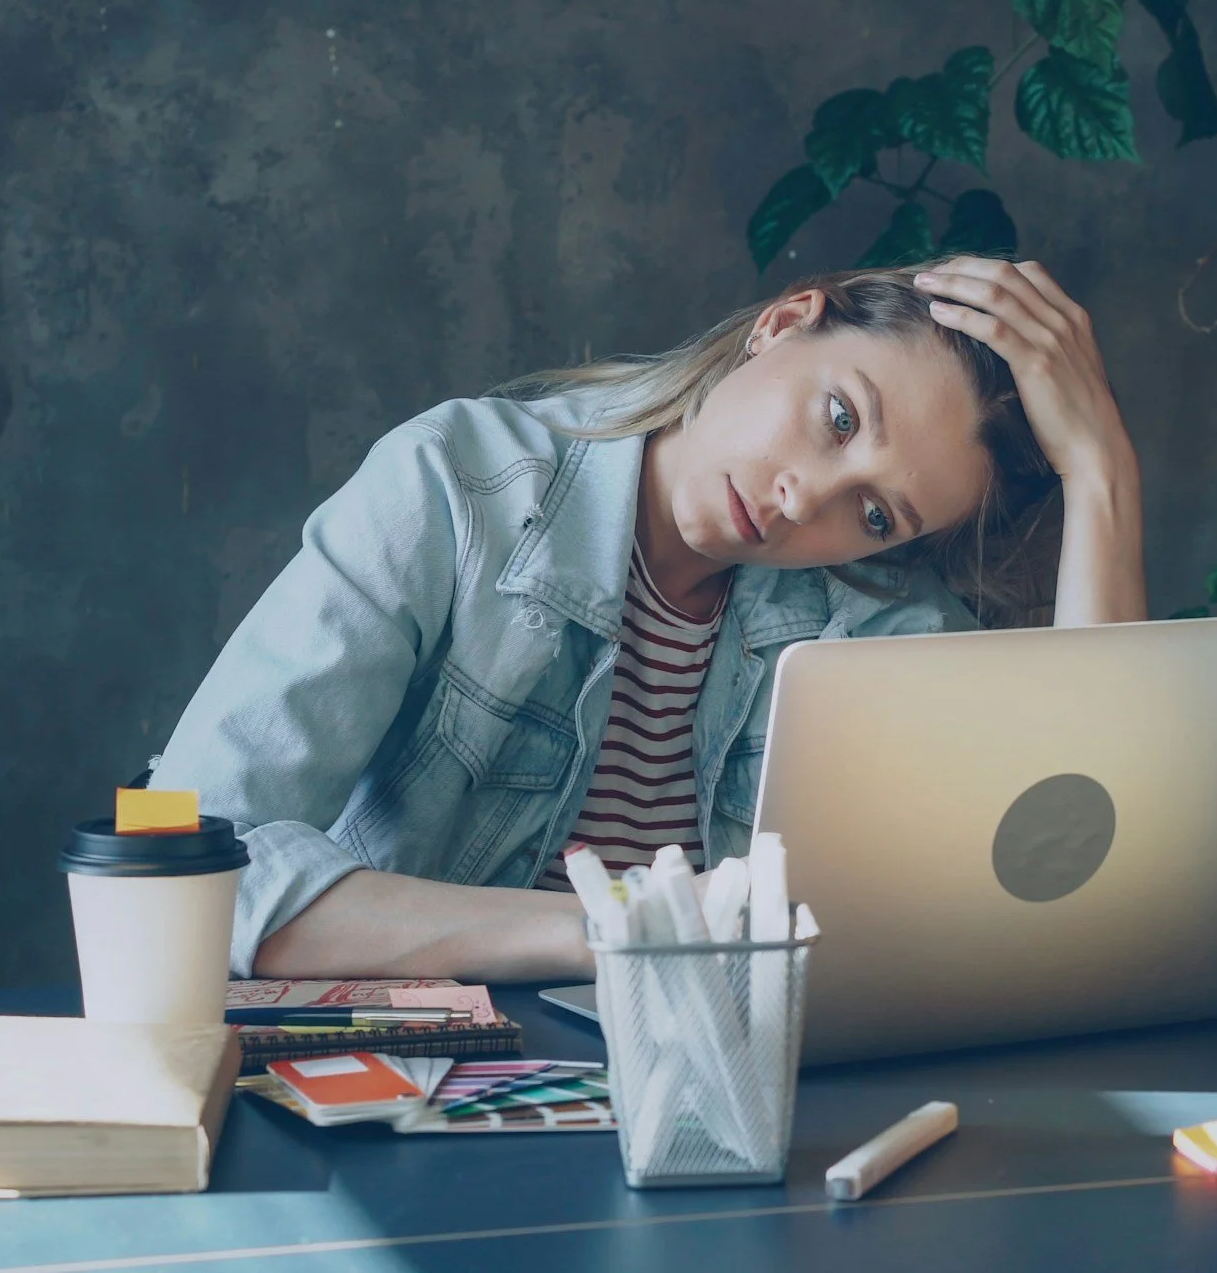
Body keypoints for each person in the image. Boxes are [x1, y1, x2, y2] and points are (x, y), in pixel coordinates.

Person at [148, 257, 1145, 981]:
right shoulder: (455, 483)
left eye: (876, 514)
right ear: (784, 322)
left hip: (723, 1115)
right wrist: (617, 930)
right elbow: (172, 854)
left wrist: (1100, 476)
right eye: (841, 418)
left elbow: (1077, 899)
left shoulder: (873, 627)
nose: (808, 500)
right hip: (418, 1101)